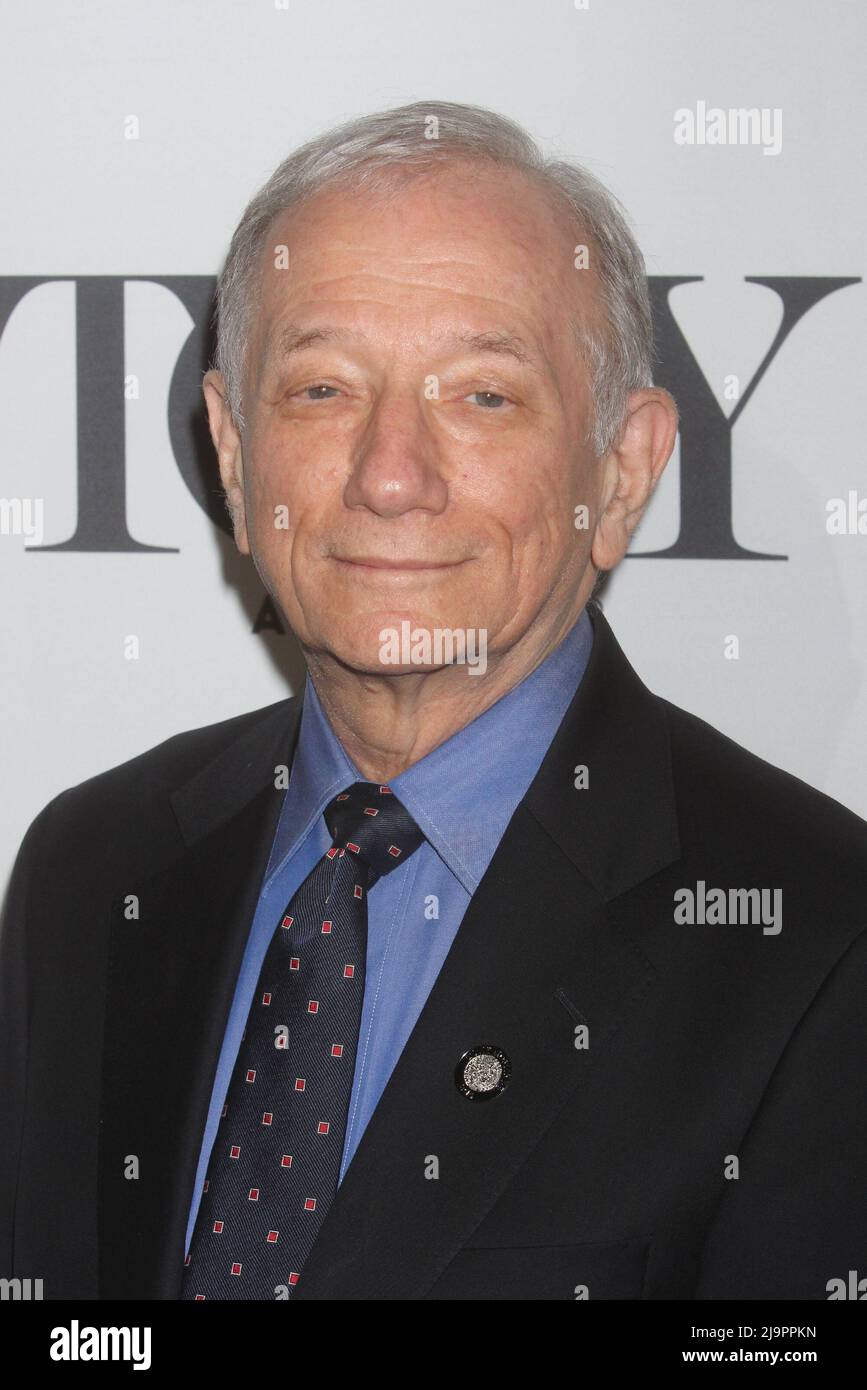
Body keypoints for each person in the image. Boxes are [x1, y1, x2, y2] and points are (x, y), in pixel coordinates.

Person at [1, 100, 865, 1301]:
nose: (390, 474)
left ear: (623, 474)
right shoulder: (90, 870)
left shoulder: (822, 941)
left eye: (483, 395)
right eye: (320, 390)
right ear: (236, 462)